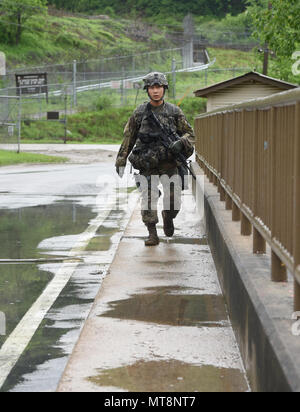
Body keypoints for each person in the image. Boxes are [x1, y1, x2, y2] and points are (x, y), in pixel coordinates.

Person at [115, 72, 195, 246]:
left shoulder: (174, 111)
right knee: (148, 197)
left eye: (159, 87)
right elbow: (129, 137)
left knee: (174, 200)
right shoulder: (140, 113)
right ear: (147, 90)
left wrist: (180, 143)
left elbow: (190, 134)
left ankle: (168, 216)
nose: (156, 91)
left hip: (169, 162)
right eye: (152, 88)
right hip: (147, 162)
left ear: (164, 89)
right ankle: (152, 233)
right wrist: (121, 160)